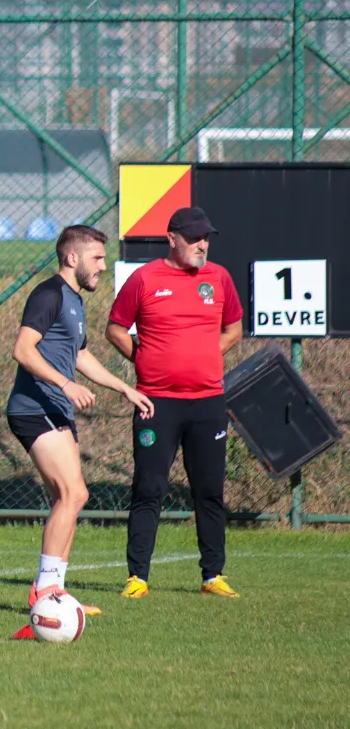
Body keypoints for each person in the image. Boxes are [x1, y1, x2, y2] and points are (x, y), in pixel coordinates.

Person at [5, 225, 154, 641]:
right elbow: (23, 349)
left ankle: (55, 590)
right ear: (72, 258)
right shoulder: (48, 294)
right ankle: (45, 590)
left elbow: (81, 354)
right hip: (34, 409)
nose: (103, 268)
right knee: (73, 494)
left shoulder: (73, 301)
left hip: (55, 410)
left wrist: (123, 386)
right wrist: (66, 384)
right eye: (97, 259)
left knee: (70, 497)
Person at [105, 206, 243, 600]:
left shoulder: (218, 278)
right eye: (195, 238)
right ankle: (137, 577)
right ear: (172, 239)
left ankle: (213, 575)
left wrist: (206, 356)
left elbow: (233, 328)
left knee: (209, 491)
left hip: (207, 403)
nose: (203, 244)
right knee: (149, 488)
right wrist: (145, 356)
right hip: (157, 403)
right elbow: (114, 328)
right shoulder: (145, 278)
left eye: (207, 238)